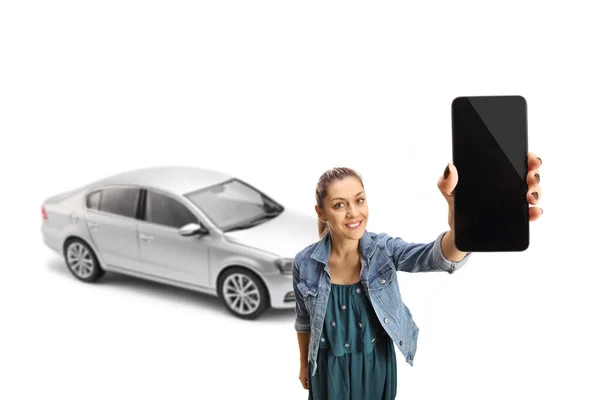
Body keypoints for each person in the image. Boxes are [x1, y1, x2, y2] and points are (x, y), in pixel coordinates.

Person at [293, 153, 544, 399]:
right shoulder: (304, 263)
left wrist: (463, 226)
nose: (353, 212)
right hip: (326, 368)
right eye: (339, 205)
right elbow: (304, 320)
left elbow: (435, 257)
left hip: (375, 365)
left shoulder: (383, 250)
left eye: (359, 200)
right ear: (321, 212)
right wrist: (304, 364)